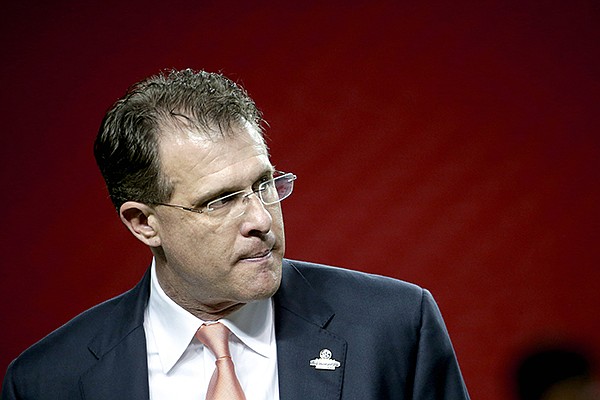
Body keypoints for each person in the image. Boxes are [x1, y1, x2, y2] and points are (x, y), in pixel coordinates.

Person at [1, 69, 470, 399]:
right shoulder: (49, 381)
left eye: (264, 185)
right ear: (143, 223)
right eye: (220, 200)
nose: (261, 220)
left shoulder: (395, 328)